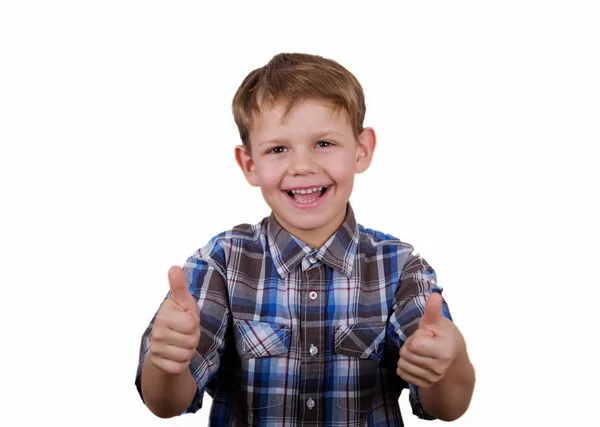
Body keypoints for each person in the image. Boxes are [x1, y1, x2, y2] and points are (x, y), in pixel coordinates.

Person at [135, 52, 475, 426]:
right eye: (278, 149)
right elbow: (164, 402)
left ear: (362, 149)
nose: (302, 166)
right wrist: (168, 362)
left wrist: (451, 359)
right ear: (250, 164)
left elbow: (448, 407)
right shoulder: (221, 262)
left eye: (324, 143)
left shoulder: (400, 267)